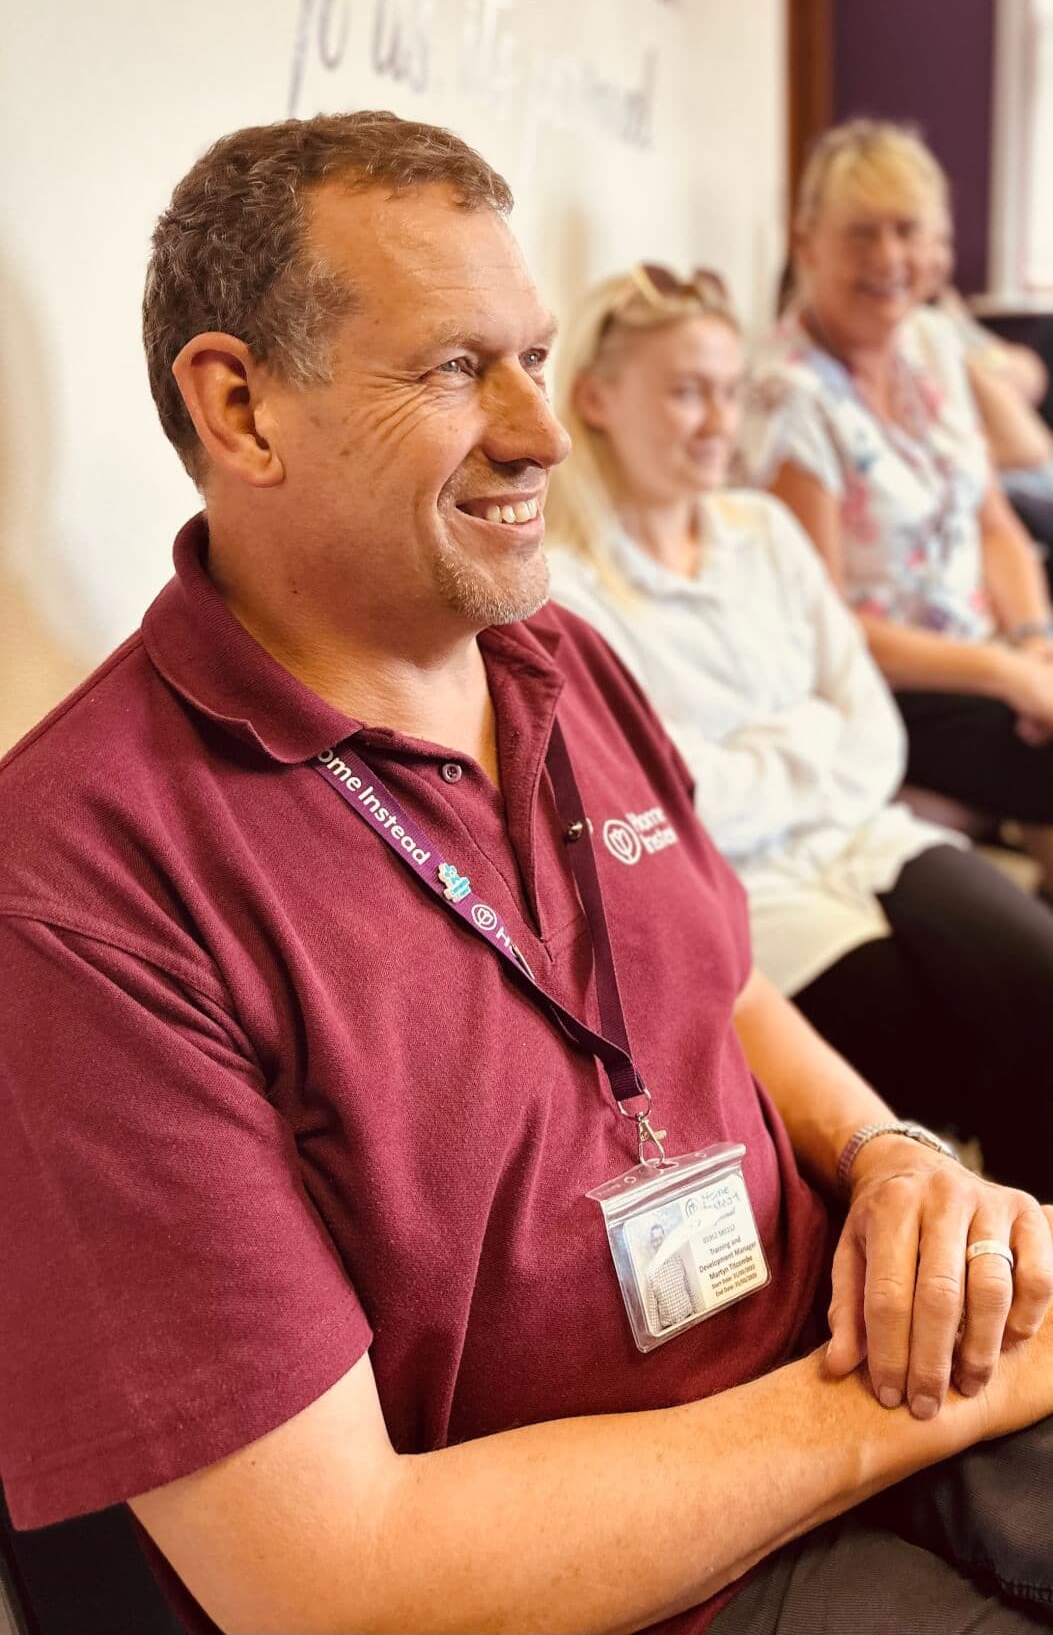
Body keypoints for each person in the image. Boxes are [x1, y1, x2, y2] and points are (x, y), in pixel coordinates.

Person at [1, 113, 1053, 1635]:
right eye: (454, 369)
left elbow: (725, 984)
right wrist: (906, 1403)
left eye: (536, 359)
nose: (543, 434)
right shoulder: (84, 886)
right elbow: (331, 1579)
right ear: (241, 407)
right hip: (628, 1570)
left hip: (830, 1370)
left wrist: (891, 1158)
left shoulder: (558, 657)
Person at [545, 262, 1053, 1201]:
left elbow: (875, 740)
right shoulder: (566, 593)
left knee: (1038, 979)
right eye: (686, 393)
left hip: (864, 835)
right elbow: (668, 811)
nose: (718, 422)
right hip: (743, 889)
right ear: (596, 399)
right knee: (930, 1050)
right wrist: (806, 735)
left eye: (729, 393)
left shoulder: (764, 532)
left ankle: (1028, 1262)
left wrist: (765, 759)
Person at [742, 119, 1053, 883]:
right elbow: (826, 625)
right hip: (888, 688)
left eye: (907, 230)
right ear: (806, 242)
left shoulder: (932, 344)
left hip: (985, 652)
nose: (887, 258)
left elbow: (994, 524)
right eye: (860, 233)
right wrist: (1005, 673)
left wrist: (1032, 639)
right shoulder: (789, 398)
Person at [923, 210, 1053, 563]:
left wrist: (981, 358)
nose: (936, 258)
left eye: (942, 242)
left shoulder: (944, 319)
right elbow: (1032, 449)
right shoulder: (930, 337)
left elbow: (1032, 375)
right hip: (1020, 479)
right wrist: (976, 362)